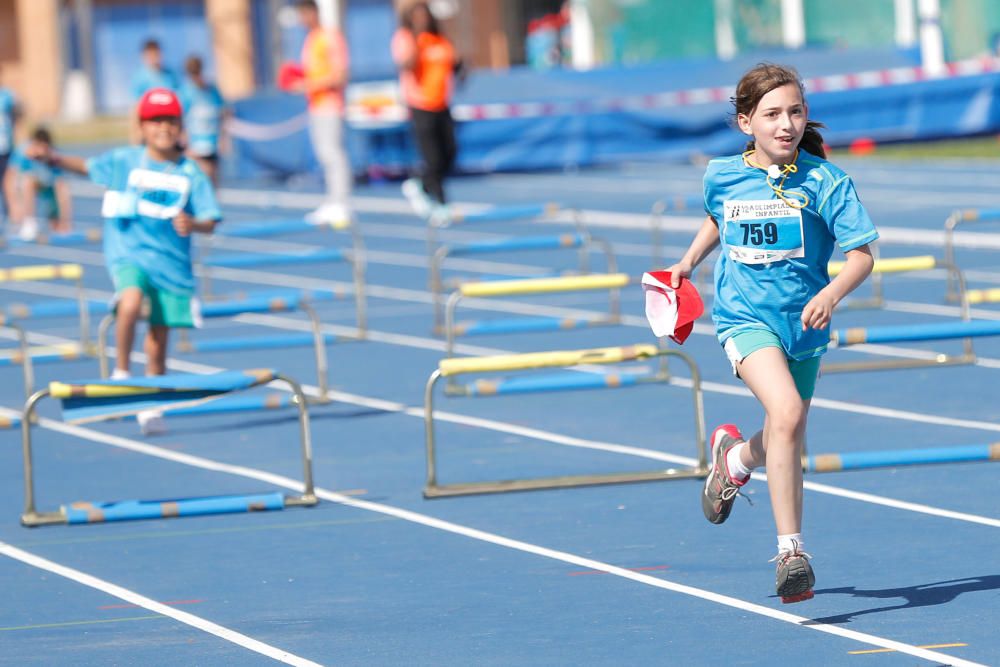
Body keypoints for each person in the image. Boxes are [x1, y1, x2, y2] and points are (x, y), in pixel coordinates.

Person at [665, 63, 878, 603]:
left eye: (796, 112)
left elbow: (861, 256)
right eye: (773, 114)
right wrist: (689, 261)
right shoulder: (721, 173)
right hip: (743, 318)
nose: (786, 124)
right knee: (787, 414)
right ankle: (791, 552)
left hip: (803, 327)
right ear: (745, 123)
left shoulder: (826, 182)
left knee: (788, 428)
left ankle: (733, 461)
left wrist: (829, 293)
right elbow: (720, 217)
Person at [29, 88, 221, 436]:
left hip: (170, 265)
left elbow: (211, 217)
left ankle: (151, 403)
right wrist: (52, 158)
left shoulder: (190, 173)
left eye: (170, 121)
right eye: (155, 121)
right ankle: (120, 371)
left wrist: (193, 224)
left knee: (158, 344)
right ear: (143, 127)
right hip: (128, 254)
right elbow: (87, 167)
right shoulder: (124, 161)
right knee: (130, 298)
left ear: (180, 125)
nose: (163, 128)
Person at [392, 1, 460, 220]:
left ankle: (420, 183)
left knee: (450, 152)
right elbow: (407, 65)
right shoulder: (407, 38)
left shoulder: (439, 39)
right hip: (421, 104)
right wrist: (416, 40)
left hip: (442, 103)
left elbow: (452, 65)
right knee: (433, 157)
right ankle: (441, 202)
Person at [293, 0, 352, 226]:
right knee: (324, 155)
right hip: (316, 105)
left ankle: (342, 202)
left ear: (312, 13)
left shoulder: (329, 37)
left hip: (330, 105)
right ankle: (332, 199)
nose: (300, 20)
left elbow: (339, 75)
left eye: (302, 14)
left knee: (333, 153)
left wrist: (309, 84)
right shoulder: (311, 39)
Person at [4, 127, 73, 240]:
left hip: (49, 187)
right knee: (28, 181)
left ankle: (57, 221)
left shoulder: (54, 157)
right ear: (33, 143)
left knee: (56, 225)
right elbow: (9, 179)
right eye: (37, 146)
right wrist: (14, 205)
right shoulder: (22, 152)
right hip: (30, 185)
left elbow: (61, 189)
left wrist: (65, 220)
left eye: (44, 148)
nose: (40, 152)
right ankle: (29, 222)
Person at [179, 55, 227, 188]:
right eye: (192, 73)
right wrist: (185, 144)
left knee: (213, 182)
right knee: (201, 180)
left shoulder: (212, 90)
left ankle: (211, 207)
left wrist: (223, 138)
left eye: (197, 72)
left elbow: (223, 113)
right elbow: (180, 118)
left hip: (212, 143)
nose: (196, 77)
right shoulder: (185, 92)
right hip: (195, 146)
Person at [129, 39, 181, 144]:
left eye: (156, 53)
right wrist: (135, 133)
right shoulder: (140, 77)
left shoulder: (170, 75)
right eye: (150, 54)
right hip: (151, 126)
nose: (154, 57)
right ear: (145, 56)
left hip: (168, 126)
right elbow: (136, 107)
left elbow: (178, 102)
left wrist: (181, 129)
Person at [0, 84, 19, 226]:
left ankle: (11, 213)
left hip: (5, 145)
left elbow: (17, 114)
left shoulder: (7, 95)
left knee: (8, 180)